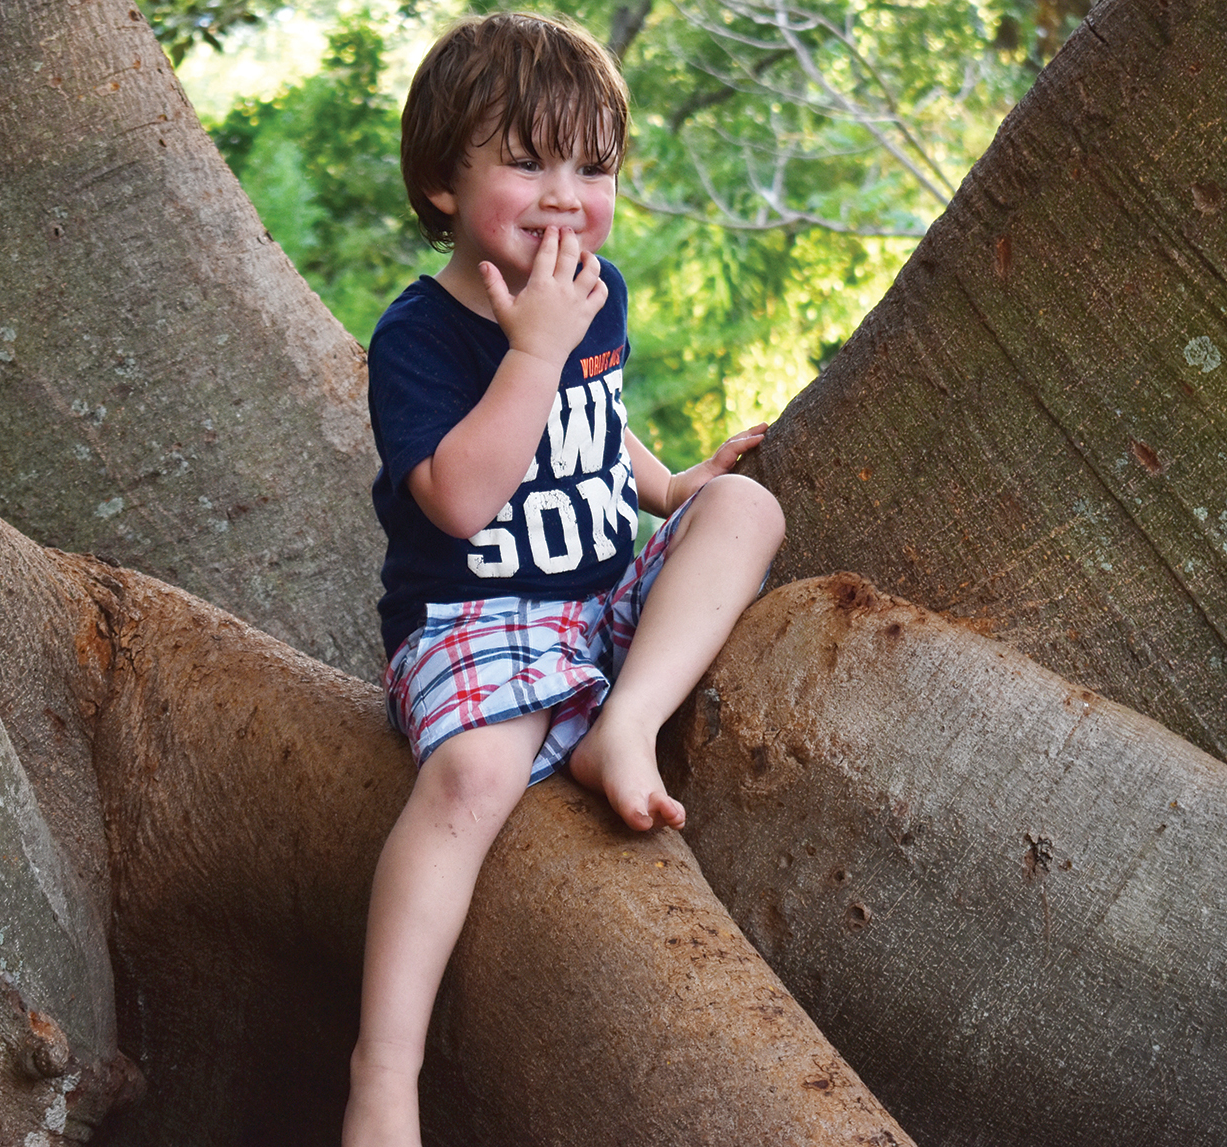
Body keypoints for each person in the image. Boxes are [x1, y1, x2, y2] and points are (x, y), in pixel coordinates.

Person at [344, 12, 786, 1145]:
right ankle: (383, 1070)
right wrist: (531, 349)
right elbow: (455, 496)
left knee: (747, 509)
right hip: (474, 616)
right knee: (470, 784)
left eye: (591, 168)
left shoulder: (597, 290)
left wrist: (669, 485)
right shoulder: (422, 335)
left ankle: (622, 725)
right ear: (444, 181)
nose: (562, 195)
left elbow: (594, 422)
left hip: (594, 602)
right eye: (527, 160)